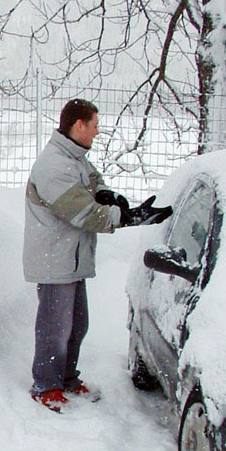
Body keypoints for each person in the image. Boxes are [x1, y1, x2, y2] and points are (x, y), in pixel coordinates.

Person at [22, 99, 172, 412]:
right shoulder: (53, 166)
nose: (97, 131)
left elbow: (92, 185)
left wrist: (110, 195)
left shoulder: (74, 159)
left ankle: (65, 377)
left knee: (76, 325)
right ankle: (46, 386)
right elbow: (83, 213)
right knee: (54, 329)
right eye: (94, 124)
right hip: (55, 259)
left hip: (71, 257)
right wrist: (127, 218)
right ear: (79, 125)